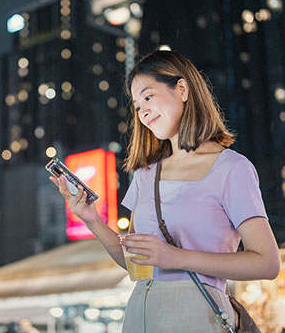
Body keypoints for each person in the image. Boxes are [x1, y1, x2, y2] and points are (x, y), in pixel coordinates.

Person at [50, 50, 281, 332]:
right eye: (136, 106)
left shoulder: (231, 168)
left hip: (198, 317)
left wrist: (175, 257)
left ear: (182, 89)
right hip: (140, 315)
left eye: (148, 97)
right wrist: (92, 220)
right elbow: (134, 263)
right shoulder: (146, 173)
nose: (142, 112)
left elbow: (267, 264)